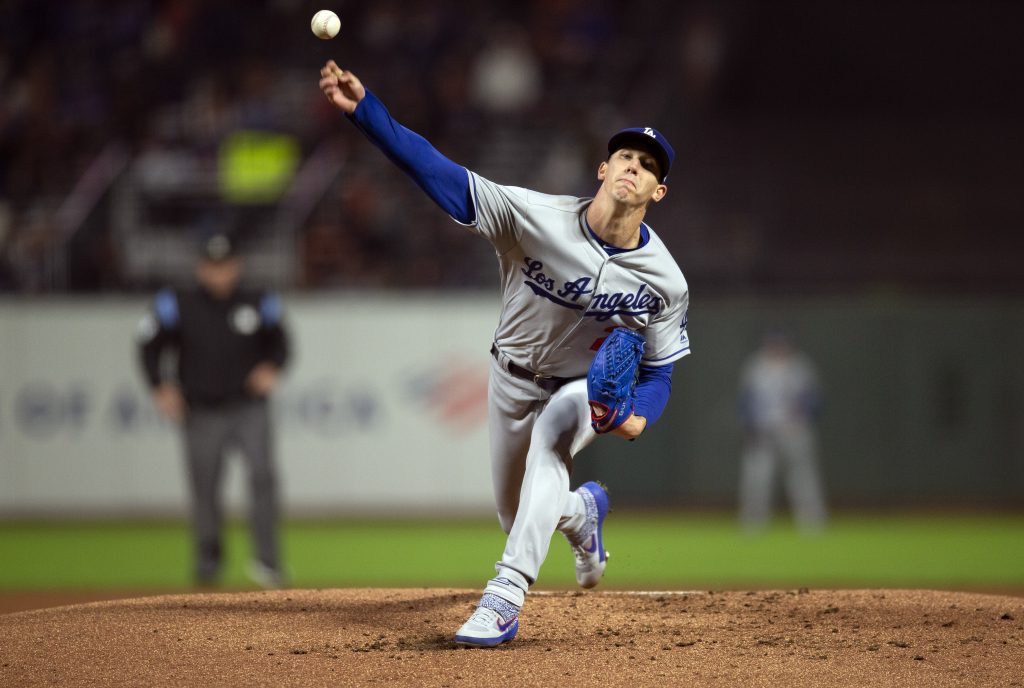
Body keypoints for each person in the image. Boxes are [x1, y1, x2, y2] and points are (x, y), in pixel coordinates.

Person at [318, 60, 691, 647]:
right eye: (625, 157)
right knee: (516, 512)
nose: (633, 167)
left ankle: (505, 597)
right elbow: (436, 172)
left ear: (657, 190)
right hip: (510, 377)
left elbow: (661, 368)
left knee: (553, 442)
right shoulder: (532, 216)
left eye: (647, 166)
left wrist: (638, 416)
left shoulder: (665, 281)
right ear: (603, 167)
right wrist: (367, 111)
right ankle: (580, 514)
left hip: (577, 389)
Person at [136, 232, 290, 588]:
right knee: (205, 487)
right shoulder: (176, 301)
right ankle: (208, 564)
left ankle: (268, 563)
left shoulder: (259, 298)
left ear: (236, 265)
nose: (219, 273)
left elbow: (281, 343)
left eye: (225, 265)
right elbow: (147, 344)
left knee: (263, 476)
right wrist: (158, 385)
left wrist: (272, 365)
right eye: (212, 266)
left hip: (248, 406)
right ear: (200, 267)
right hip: (201, 408)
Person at [737, 331, 827, 534]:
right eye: (773, 345)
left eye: (781, 345)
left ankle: (812, 521)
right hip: (763, 429)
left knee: (802, 477)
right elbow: (746, 400)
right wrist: (749, 426)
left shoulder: (800, 366)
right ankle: (753, 522)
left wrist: (804, 419)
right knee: (758, 477)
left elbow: (814, 400)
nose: (777, 349)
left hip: (794, 429)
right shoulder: (756, 366)